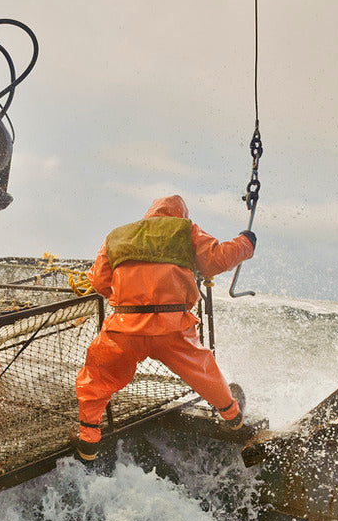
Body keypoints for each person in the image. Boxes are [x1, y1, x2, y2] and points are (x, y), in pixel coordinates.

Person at [74, 194, 256, 462]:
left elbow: (100, 283)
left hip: (126, 327)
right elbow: (216, 260)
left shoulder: (117, 236)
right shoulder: (185, 230)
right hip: (173, 329)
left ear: (150, 214)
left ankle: (88, 441)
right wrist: (246, 242)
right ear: (180, 215)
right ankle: (233, 418)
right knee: (203, 370)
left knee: (97, 374)